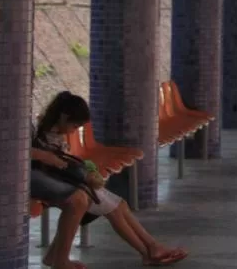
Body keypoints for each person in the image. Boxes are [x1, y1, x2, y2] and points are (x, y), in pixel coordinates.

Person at [31, 91, 189, 268]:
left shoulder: (53, 131)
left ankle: (152, 248)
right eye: (74, 126)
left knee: (119, 205)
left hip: (69, 181)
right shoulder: (42, 133)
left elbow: (65, 161)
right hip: (63, 182)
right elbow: (53, 164)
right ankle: (149, 252)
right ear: (64, 117)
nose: (73, 131)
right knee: (111, 208)